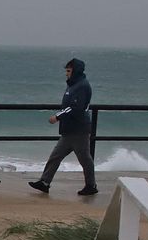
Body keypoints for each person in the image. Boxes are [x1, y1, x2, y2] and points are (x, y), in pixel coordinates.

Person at [28, 58, 97, 196]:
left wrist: (57, 117)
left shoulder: (82, 86)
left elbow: (75, 108)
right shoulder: (72, 85)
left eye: (68, 71)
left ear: (75, 71)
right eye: (66, 71)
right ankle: (45, 182)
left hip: (79, 131)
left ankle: (91, 185)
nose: (66, 74)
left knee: (85, 159)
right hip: (69, 131)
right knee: (55, 156)